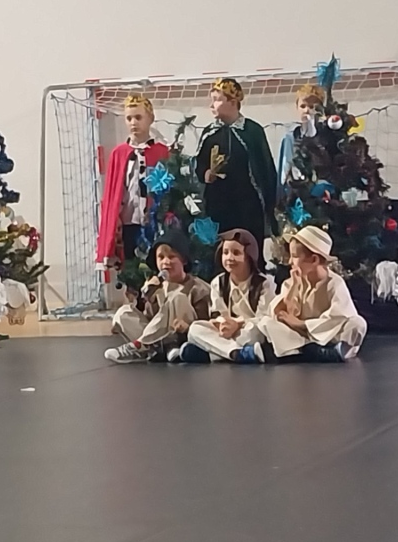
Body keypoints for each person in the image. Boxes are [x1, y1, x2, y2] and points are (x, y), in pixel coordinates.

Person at [194, 78, 278, 266]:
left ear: (233, 102)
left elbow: (265, 168)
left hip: (249, 207)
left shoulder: (252, 131)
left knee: (250, 254)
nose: (211, 105)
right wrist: (207, 174)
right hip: (219, 206)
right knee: (222, 255)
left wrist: (270, 205)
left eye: (217, 99)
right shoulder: (210, 133)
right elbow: (199, 164)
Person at [259, 225, 367, 362]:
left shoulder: (334, 283)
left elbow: (338, 316)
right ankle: (308, 350)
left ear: (314, 260)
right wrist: (294, 287)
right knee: (267, 322)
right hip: (301, 335)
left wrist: (302, 324)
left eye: (295, 256)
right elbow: (282, 314)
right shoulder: (291, 282)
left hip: (326, 334)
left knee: (357, 324)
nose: (290, 261)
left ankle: (331, 351)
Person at [104, 229, 210, 364]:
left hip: (185, 335)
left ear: (183, 260)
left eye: (171, 257)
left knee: (177, 297)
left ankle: (141, 345)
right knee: (123, 313)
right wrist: (150, 297)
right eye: (161, 257)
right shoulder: (158, 285)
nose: (166, 262)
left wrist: (187, 326)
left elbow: (204, 322)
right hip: (159, 337)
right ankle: (161, 349)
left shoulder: (199, 287)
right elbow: (151, 320)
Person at [179, 228, 275, 364]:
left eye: (236, 253)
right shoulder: (218, 282)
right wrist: (223, 324)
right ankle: (237, 353)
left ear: (249, 256)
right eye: (225, 252)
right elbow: (218, 314)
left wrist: (238, 324)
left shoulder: (264, 283)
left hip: (247, 329)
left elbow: (263, 317)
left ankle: (212, 354)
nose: (230, 258)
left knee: (256, 332)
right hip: (228, 331)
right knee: (195, 329)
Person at [95, 94, 169, 270]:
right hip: (129, 221)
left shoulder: (161, 151)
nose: (133, 123)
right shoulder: (119, 153)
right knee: (130, 267)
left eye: (138, 117)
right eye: (129, 118)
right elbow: (113, 191)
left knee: (155, 265)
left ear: (150, 118)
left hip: (154, 220)